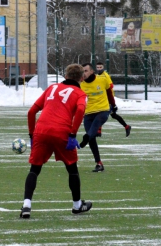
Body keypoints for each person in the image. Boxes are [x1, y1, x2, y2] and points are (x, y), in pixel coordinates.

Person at [20, 64, 92, 219]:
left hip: (41, 131)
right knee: (72, 169)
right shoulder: (80, 93)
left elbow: (31, 111)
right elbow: (80, 111)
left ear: (65, 76)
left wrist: (32, 136)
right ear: (82, 78)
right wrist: (73, 134)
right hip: (62, 132)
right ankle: (77, 205)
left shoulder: (52, 88)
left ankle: (26, 205)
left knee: (34, 169)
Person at [80, 63, 117, 173]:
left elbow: (109, 93)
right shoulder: (80, 84)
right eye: (82, 71)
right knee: (91, 138)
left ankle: (86, 138)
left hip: (103, 110)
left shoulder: (102, 79)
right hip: (88, 113)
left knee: (90, 133)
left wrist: (113, 105)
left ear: (92, 71)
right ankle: (99, 163)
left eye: (86, 71)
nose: (84, 73)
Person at [96, 62, 131, 137]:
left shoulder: (105, 75)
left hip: (108, 99)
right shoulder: (97, 76)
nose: (99, 69)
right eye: (98, 67)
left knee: (102, 114)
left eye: (100, 67)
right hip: (104, 99)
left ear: (103, 67)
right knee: (113, 115)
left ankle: (98, 131)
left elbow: (111, 86)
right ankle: (127, 127)